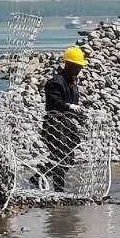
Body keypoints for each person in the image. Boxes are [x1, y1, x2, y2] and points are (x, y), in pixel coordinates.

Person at [41, 46, 87, 191]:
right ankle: (58, 190)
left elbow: (74, 104)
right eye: (77, 66)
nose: (79, 69)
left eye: (80, 67)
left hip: (67, 124)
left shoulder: (72, 83)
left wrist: (79, 116)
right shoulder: (55, 82)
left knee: (68, 158)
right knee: (59, 156)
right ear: (69, 65)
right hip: (54, 124)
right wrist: (69, 107)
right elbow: (54, 103)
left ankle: (37, 177)